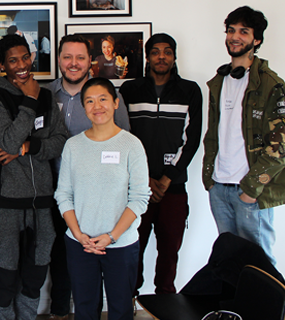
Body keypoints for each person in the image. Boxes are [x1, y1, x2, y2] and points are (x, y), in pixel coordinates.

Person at [0, 34, 67, 320]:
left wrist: (28, 148)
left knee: (36, 273)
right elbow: (7, 141)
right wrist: (29, 100)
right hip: (6, 203)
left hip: (42, 201)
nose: (21, 65)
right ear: (2, 65)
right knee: (5, 276)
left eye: (25, 57)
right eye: (12, 60)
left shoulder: (47, 96)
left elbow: (61, 141)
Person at [43, 34, 129, 320]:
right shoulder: (45, 95)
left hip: (93, 200)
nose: (73, 63)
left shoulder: (105, 99)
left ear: (90, 61)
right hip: (50, 192)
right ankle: (59, 312)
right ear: (58, 59)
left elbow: (124, 144)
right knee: (58, 258)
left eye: (80, 57)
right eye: (67, 57)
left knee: (91, 262)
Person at [54, 77, 151, 320]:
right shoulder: (73, 146)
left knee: (120, 308)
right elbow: (63, 195)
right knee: (85, 308)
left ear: (116, 103)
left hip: (121, 243)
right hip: (80, 243)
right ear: (83, 107)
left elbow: (139, 198)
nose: (97, 106)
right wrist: (79, 235)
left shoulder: (132, 145)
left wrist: (112, 236)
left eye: (103, 99)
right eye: (89, 101)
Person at [120, 33, 203, 296]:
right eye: (155, 51)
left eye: (167, 51)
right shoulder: (130, 90)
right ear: (148, 57)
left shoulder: (190, 91)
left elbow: (192, 139)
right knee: (132, 247)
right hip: (136, 187)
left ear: (174, 56)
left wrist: (168, 177)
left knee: (169, 252)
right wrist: (143, 178)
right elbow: (124, 136)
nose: (161, 56)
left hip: (174, 188)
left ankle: (165, 301)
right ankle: (129, 301)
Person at [203, 6, 285, 265]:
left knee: (260, 266)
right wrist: (210, 180)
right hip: (219, 187)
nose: (235, 36)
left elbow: (280, 146)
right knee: (229, 262)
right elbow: (214, 134)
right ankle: (235, 308)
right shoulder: (219, 81)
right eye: (231, 30)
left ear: (256, 40)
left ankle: (270, 308)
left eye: (243, 31)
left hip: (250, 190)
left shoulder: (271, 84)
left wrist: (252, 188)